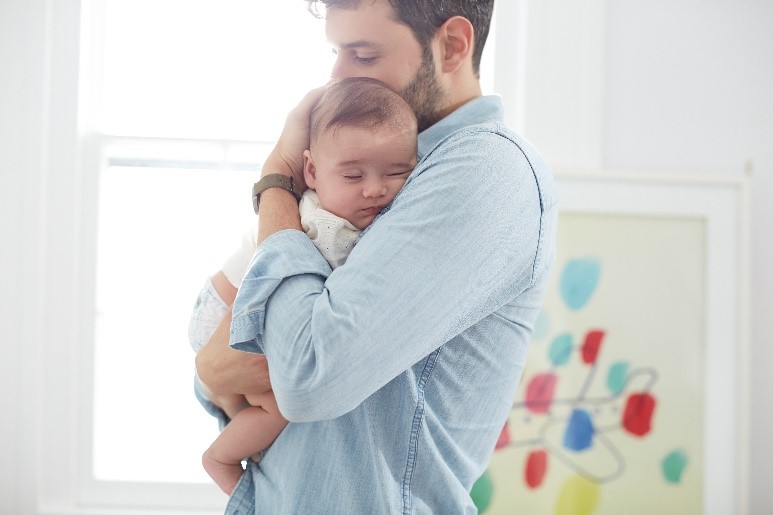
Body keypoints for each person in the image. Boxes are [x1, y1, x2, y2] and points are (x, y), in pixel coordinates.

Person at [195, 0, 558, 512]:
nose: (337, 76)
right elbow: (224, 368)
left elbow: (305, 375)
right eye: (337, 52)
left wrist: (276, 180)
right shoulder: (378, 177)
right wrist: (215, 371)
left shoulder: (485, 171)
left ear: (452, 46)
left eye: (362, 55)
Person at [188, 76, 418, 495]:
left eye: (397, 172)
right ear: (310, 170)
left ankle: (242, 428)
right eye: (352, 176)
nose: (375, 189)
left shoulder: (320, 205)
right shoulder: (329, 229)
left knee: (254, 400)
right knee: (282, 409)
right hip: (225, 313)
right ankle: (220, 457)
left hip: (220, 302)